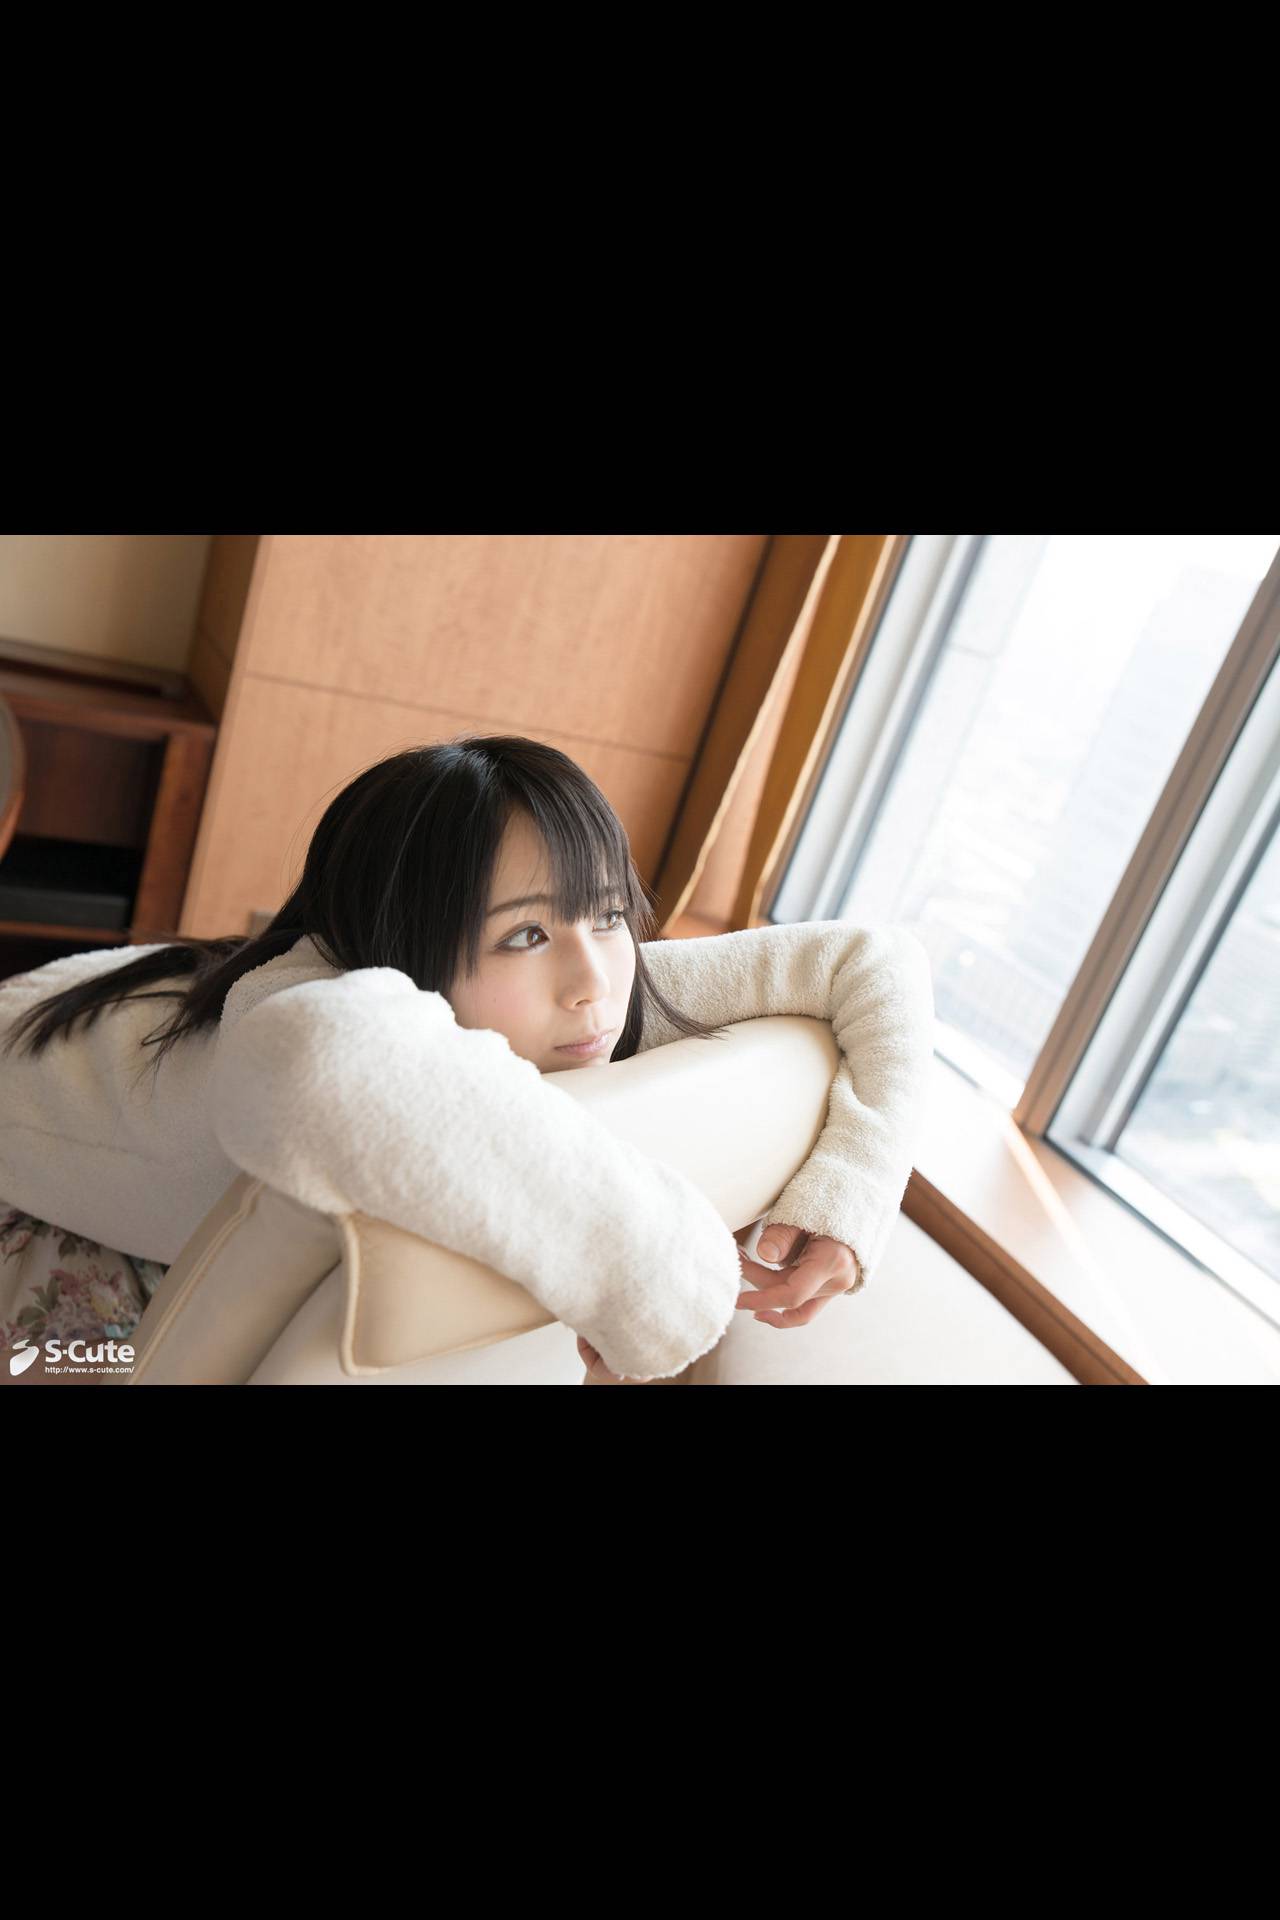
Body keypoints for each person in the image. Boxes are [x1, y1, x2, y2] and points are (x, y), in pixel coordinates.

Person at [0, 735, 934, 1383]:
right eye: (525, 934)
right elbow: (319, 1063)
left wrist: (849, 1198)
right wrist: (659, 1274)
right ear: (405, 952)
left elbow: (873, 959)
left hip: (134, 1001)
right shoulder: (303, 1022)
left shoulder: (591, 987)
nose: (594, 982)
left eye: (608, 912)